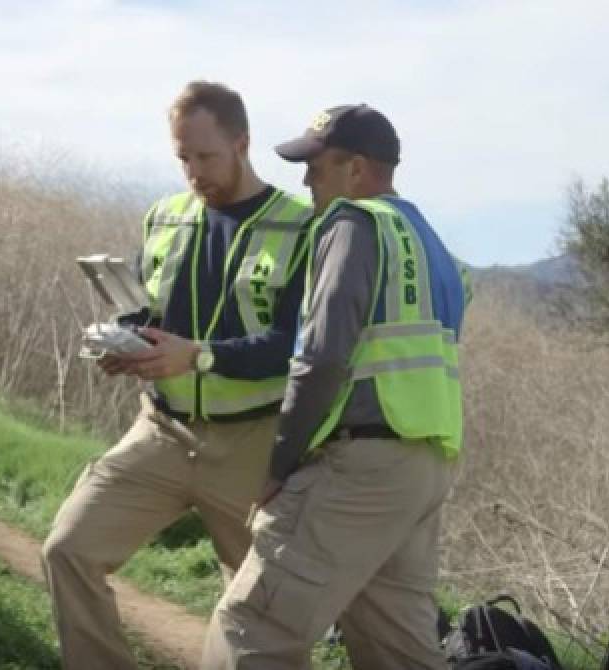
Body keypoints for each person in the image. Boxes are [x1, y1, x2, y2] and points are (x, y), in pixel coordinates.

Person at [40, 81, 315, 669]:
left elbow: (293, 345)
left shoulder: (301, 227)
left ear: (242, 144)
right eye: (182, 157)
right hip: (160, 432)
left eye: (205, 156)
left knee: (261, 616)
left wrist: (197, 355)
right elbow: (148, 312)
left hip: (251, 444)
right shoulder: (164, 217)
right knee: (68, 550)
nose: (193, 171)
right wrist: (126, 343)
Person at [202, 104, 472, 670]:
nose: (305, 182)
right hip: (424, 467)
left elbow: (321, 357)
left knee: (251, 627)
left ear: (357, 170)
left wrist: (281, 462)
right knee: (397, 649)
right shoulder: (431, 247)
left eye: (316, 167)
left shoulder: (353, 223)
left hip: (359, 466)